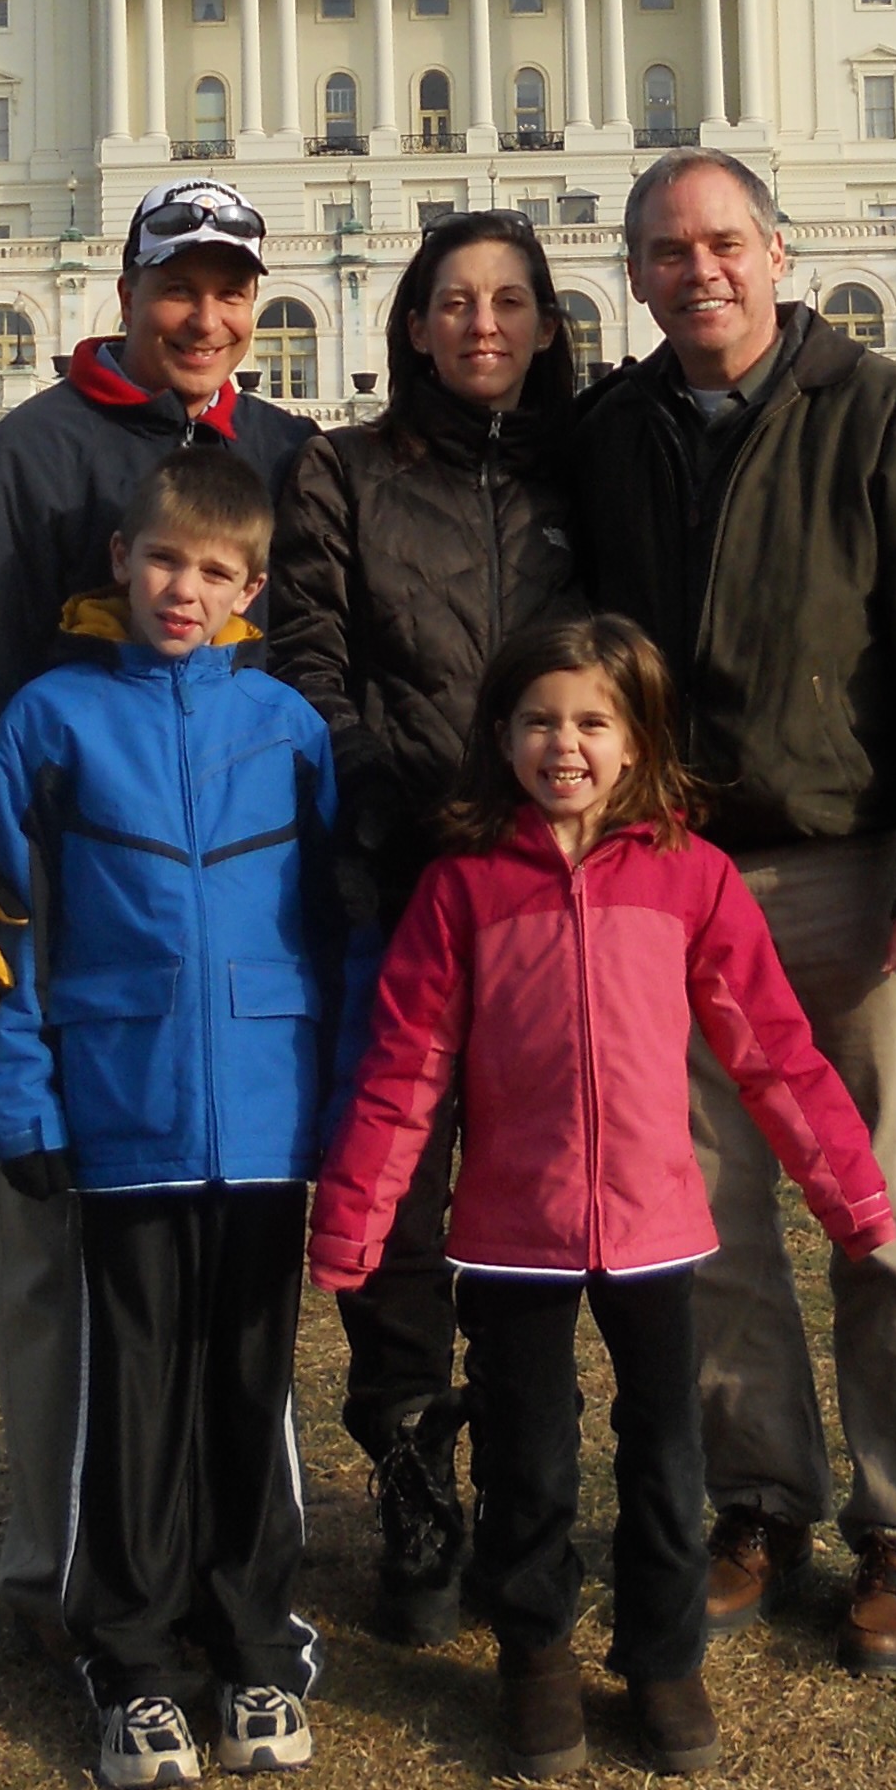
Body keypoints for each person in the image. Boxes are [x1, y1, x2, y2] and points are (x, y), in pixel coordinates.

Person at [565, 149, 896, 1675]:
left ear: (778, 253)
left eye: (723, 243)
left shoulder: (882, 415)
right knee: (706, 1219)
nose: (699, 270)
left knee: (879, 1207)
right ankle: (758, 1497)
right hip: (677, 879)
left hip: (848, 868)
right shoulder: (613, 435)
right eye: (667, 250)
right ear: (636, 276)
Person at [314, 614, 892, 1781]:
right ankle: (534, 1654)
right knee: (528, 1461)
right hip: (512, 1233)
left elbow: (771, 1049)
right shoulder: (463, 886)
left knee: (667, 1459)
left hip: (653, 1227)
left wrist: (851, 1193)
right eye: (539, 721)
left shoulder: (692, 877)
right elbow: (405, 1066)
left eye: (592, 722)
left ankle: (663, 1659)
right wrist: (356, 1214)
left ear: (639, 742)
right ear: (502, 736)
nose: (564, 745)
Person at [0, 177, 312, 1663]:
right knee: (65, 1278)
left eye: (229, 289)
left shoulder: (285, 455)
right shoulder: (39, 452)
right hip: (77, 939)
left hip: (235, 964)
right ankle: (66, 1576)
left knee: (225, 1288)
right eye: (177, 286)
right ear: (126, 293)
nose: (205, 316)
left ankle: (212, 1566)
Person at [0, 441, 339, 1790]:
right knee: (128, 1395)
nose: (187, 590)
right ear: (121, 562)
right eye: (167, 562)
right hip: (121, 1107)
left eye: (217, 571)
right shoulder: (51, 721)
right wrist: (21, 1093)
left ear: (252, 592)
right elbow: (10, 930)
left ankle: (254, 1643)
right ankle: (129, 1661)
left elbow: (334, 928)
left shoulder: (289, 729)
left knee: (252, 1385)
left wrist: (343, 1094)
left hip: (266, 1112)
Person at [266, 211, 585, 1641]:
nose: (482, 325)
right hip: (395, 877)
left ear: (547, 324)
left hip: (553, 884)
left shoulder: (583, 469)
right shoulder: (342, 471)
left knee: (532, 1177)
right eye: (455, 301)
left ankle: (521, 1463)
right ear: (411, 323)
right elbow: (309, 661)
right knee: (393, 1183)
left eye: (510, 301)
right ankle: (410, 1459)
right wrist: (402, 796)